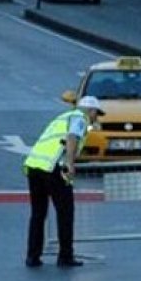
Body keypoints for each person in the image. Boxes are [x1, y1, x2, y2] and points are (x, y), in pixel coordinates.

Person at [23, 95, 105, 268]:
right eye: (96, 114)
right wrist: (69, 163)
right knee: (65, 212)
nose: (95, 118)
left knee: (38, 214)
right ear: (90, 111)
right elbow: (72, 137)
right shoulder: (80, 118)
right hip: (54, 168)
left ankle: (33, 256)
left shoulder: (61, 118)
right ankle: (65, 256)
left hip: (34, 166)